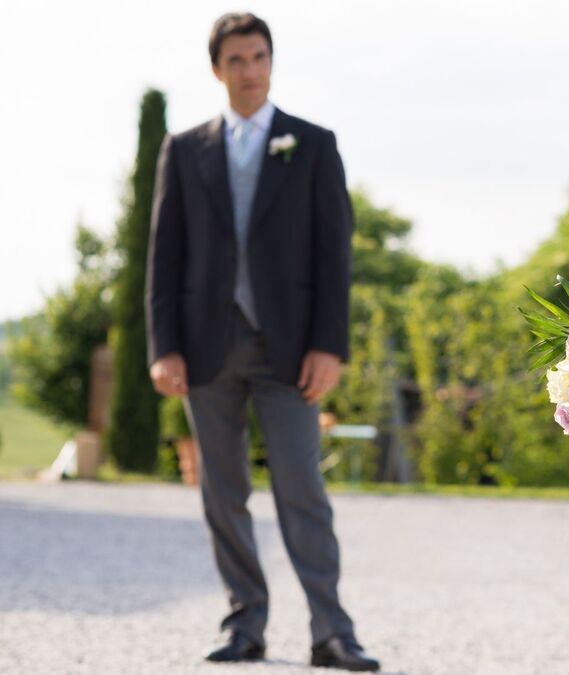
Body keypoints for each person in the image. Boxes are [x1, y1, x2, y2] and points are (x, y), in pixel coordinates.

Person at [145, 12, 380, 671]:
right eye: (237, 61)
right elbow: (163, 257)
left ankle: (332, 631)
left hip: (291, 350)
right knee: (222, 492)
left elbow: (335, 256)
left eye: (259, 57)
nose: (250, 71)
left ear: (272, 62)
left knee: (302, 486)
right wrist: (163, 345)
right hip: (204, 346)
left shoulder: (311, 144)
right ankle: (244, 624)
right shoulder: (184, 150)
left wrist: (329, 344)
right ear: (217, 70)